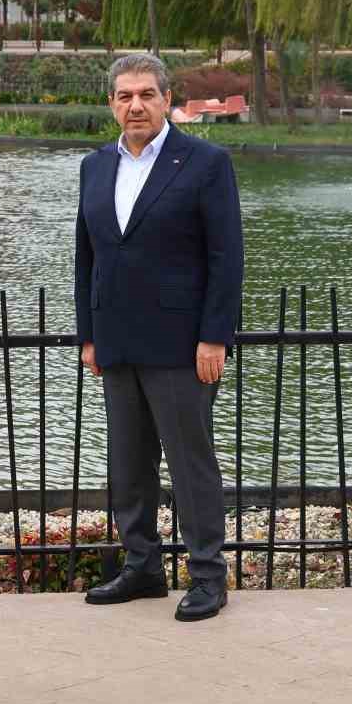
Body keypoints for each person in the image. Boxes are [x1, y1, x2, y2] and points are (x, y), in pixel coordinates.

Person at [74, 53, 244, 622]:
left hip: (182, 345)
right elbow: (86, 257)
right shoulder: (95, 166)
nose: (136, 105)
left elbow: (226, 258)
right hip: (117, 340)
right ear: (111, 104)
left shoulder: (205, 163)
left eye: (147, 94)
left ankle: (207, 575)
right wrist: (89, 335)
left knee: (189, 463)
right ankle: (143, 567)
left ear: (167, 100)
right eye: (125, 96)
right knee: (128, 463)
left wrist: (214, 337)